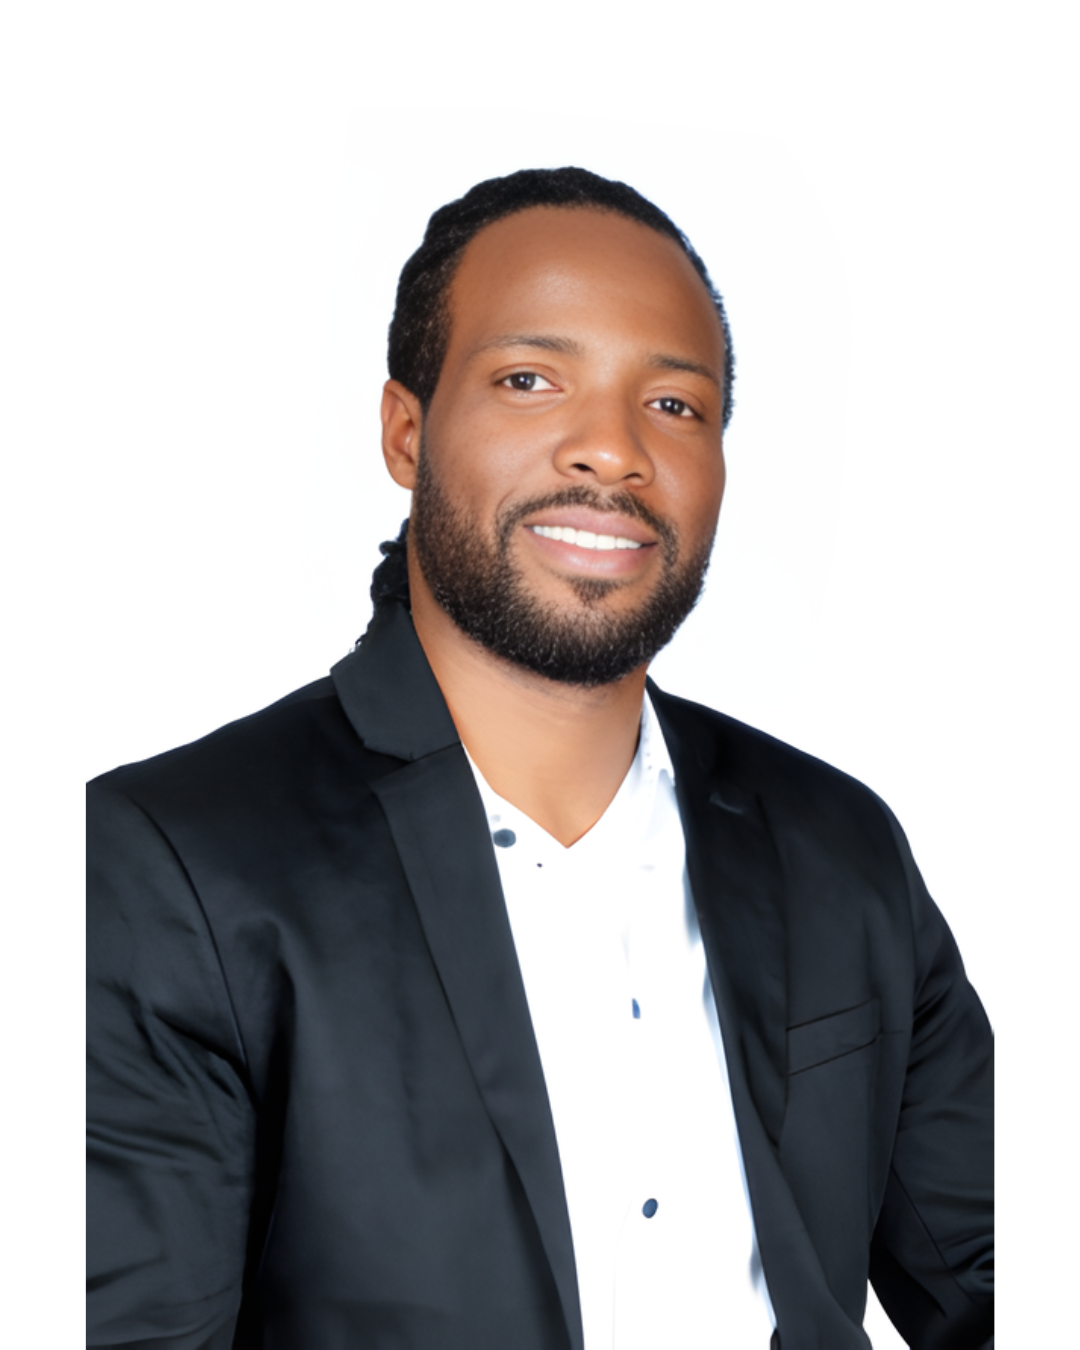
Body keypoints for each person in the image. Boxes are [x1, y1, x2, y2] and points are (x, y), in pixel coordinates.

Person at [86, 167, 993, 1350]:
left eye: (675, 406)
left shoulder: (839, 844)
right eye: (530, 381)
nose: (610, 452)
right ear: (406, 433)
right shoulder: (177, 863)